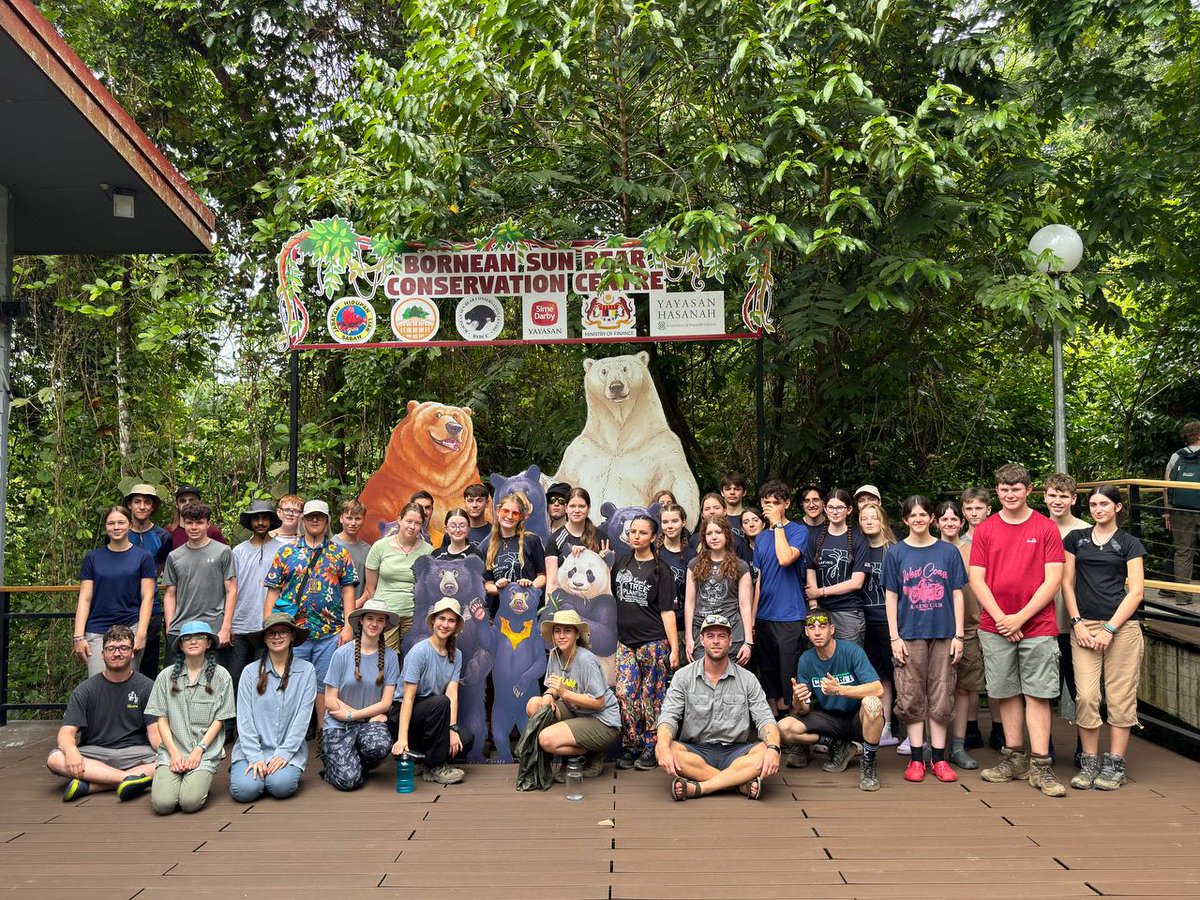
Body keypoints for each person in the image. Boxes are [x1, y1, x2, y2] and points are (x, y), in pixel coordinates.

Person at [970, 464, 1067, 798]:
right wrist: (1002, 619)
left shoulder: (1046, 528)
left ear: (1028, 490)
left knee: (1038, 693)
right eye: (1003, 489)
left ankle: (1041, 764)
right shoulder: (985, 530)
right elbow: (977, 579)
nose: (1010, 495)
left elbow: (1053, 579)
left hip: (1038, 626)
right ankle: (1014, 758)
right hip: (996, 626)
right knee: (1005, 691)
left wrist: (1020, 618)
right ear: (997, 491)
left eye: (1016, 489)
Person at [1064, 484, 1147, 791]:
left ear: (1118, 507)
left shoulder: (1129, 543)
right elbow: (1066, 583)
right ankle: (1088, 761)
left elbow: (1136, 591)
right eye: (1093, 504)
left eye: (1104, 504)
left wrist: (1111, 628)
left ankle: (1115, 764)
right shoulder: (1076, 539)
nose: (1098, 509)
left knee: (1120, 696)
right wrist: (1076, 623)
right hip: (1083, 626)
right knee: (1085, 695)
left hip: (1121, 628)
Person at [884, 496, 966, 784]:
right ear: (905, 520)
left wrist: (959, 635)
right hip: (909, 634)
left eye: (923, 514)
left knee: (942, 696)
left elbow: (957, 593)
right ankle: (917, 759)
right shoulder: (896, 553)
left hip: (944, 634)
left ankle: (939, 759)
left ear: (932, 517)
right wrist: (894, 636)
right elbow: (891, 596)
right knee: (911, 696)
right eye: (913, 515)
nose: (918, 519)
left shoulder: (948, 552)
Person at [655, 614, 782, 800]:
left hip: (736, 752)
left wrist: (773, 748)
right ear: (701, 640)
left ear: (730, 641)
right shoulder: (683, 676)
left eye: (721, 636)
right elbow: (668, 717)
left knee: (765, 750)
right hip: (696, 751)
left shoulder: (747, 679)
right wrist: (664, 748)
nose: (716, 641)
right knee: (664, 747)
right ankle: (737, 784)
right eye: (710, 636)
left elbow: (765, 720)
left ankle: (702, 787)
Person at [263, 499, 357, 729]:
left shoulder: (339, 553)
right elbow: (273, 591)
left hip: (330, 632)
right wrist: (268, 626)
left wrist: (348, 626)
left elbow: (347, 591)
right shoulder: (286, 552)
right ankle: (288, 733)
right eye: (310, 517)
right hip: (293, 632)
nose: (315, 521)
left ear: (326, 521)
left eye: (320, 517)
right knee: (290, 683)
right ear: (303, 520)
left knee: (326, 687)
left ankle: (324, 736)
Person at [47, 624, 159, 802]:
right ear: (102, 654)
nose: (116, 653)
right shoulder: (85, 690)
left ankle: (92, 785)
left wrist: (171, 753)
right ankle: (127, 780)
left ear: (132, 652)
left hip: (136, 753)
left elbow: (155, 735)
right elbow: (66, 733)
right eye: (111, 649)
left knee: (167, 761)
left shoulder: (147, 687)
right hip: (95, 753)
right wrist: (71, 750)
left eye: (123, 648)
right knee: (55, 758)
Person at [777, 609, 885, 791]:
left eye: (822, 626)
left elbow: (878, 688)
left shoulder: (852, 651)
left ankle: (868, 765)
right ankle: (836, 745)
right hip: (829, 719)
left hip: (857, 719)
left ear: (832, 629)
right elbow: (803, 710)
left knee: (873, 704)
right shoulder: (806, 659)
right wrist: (797, 699)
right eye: (812, 627)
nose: (817, 632)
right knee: (784, 727)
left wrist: (840, 690)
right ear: (806, 632)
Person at [145, 621, 235, 814]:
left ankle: (197, 779)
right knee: (163, 805)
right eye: (187, 638)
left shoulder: (221, 676)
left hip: (204, 752)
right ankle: (180, 778)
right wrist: (173, 753)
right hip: (173, 750)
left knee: (189, 803)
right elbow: (161, 718)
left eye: (200, 637)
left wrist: (198, 751)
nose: (193, 641)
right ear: (180, 644)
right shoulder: (166, 676)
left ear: (209, 643)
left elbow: (220, 720)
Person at [612, 514, 679, 771]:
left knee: (651, 697)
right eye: (632, 532)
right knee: (626, 694)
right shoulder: (621, 563)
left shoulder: (661, 570)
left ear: (653, 537)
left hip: (653, 641)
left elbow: (667, 612)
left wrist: (674, 648)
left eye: (642, 532)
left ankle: (652, 746)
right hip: (625, 642)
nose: (636, 536)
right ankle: (631, 744)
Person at [229, 612, 318, 802]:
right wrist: (255, 757)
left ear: (292, 635)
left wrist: (284, 753)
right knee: (244, 791)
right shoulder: (250, 672)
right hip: (251, 750)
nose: (277, 637)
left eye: (283, 632)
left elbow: (303, 718)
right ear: (264, 638)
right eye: (271, 633)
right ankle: (258, 774)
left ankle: (275, 775)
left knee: (280, 786)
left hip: (288, 750)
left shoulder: (307, 670)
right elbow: (244, 719)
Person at [525, 609, 620, 779]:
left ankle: (591, 753)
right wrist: (548, 695)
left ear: (577, 634)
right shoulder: (555, 654)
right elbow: (553, 687)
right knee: (535, 705)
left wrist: (564, 693)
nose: (561, 636)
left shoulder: (586, 660)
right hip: (576, 712)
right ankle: (572, 758)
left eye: (567, 630)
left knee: (546, 739)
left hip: (602, 721)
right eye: (557, 630)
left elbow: (599, 703)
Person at [392, 598, 475, 786]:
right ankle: (434, 766)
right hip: (406, 714)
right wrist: (402, 738)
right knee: (440, 702)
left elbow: (452, 693)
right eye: (441, 618)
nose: (445, 624)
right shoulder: (419, 652)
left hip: (434, 714)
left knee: (466, 739)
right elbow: (407, 698)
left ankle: (421, 759)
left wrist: (453, 729)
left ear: (456, 626)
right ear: (433, 621)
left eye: (451, 620)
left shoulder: (456, 654)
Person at [321, 599, 401, 791]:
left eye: (380, 620)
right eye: (370, 618)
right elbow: (329, 699)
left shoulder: (390, 657)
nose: (374, 624)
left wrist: (353, 716)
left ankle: (355, 762)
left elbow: (386, 702)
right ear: (361, 621)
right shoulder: (341, 654)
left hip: (367, 725)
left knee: (380, 745)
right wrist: (363, 716)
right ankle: (334, 763)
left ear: (385, 625)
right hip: (339, 725)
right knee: (350, 782)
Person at [73, 506, 156, 676]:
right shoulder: (92, 558)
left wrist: (141, 632)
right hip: (97, 630)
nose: (116, 527)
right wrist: (78, 636)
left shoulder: (143, 556)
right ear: (106, 527)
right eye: (111, 523)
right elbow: (85, 598)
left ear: (130, 525)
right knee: (97, 685)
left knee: (128, 687)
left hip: (131, 628)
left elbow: (147, 596)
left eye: (121, 522)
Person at [752, 480, 808, 723]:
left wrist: (777, 525)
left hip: (790, 616)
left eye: (776, 503)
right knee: (769, 677)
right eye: (767, 503)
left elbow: (785, 558)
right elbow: (758, 580)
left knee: (790, 678)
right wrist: (752, 619)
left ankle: (795, 731)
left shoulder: (798, 531)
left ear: (786, 504)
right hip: (764, 617)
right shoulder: (761, 538)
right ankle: (777, 727)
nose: (771, 507)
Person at [1045, 472, 1089, 761]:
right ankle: (1042, 748)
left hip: (1077, 625)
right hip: (1044, 624)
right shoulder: (1035, 527)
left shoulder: (1086, 531)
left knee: (1081, 691)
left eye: (1064, 496)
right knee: (1042, 693)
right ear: (1045, 497)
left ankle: (1085, 749)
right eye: (1053, 495)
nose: (1058, 500)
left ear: (1073, 499)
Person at [937, 500, 983, 769]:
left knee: (964, 688)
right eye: (944, 519)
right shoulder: (931, 549)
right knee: (937, 688)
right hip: (936, 628)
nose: (950, 523)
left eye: (955, 519)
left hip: (969, 627)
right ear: (937, 522)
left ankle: (958, 744)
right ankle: (935, 743)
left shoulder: (973, 550)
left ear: (961, 522)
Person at [227, 499, 285, 694]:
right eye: (256, 518)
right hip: (241, 623)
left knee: (263, 678)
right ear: (250, 522)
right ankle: (231, 724)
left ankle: (258, 722)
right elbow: (231, 588)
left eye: (265, 518)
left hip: (268, 624)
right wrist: (229, 624)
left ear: (271, 521)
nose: (260, 522)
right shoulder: (238, 551)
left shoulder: (282, 550)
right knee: (236, 678)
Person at [162, 502, 236, 653]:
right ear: (184, 524)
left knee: (214, 675)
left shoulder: (223, 552)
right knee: (176, 675)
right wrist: (170, 627)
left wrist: (226, 628)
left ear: (208, 524)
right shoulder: (174, 556)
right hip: (180, 630)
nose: (194, 527)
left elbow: (231, 590)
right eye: (189, 523)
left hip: (213, 629)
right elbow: (169, 594)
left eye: (199, 523)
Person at [361, 502, 433, 649]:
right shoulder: (380, 547)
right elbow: (369, 589)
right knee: (385, 660)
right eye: (409, 521)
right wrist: (376, 616)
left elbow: (428, 588)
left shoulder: (428, 551)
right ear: (399, 519)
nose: (412, 527)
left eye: (418, 523)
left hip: (414, 617)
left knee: (412, 660)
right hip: (385, 616)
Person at [805, 489, 870, 646]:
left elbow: (857, 582)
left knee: (847, 663)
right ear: (825, 509)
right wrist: (814, 607)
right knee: (823, 661)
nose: (835, 512)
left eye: (840, 507)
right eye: (831, 507)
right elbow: (810, 572)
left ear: (848, 510)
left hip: (849, 612)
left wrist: (820, 592)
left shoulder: (858, 539)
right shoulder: (814, 538)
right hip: (821, 612)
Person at [685, 515, 752, 665]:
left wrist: (748, 642)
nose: (714, 537)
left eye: (718, 532)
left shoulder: (740, 566)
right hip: (702, 630)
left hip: (731, 632)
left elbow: (745, 605)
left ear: (727, 534)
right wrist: (689, 638)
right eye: (709, 533)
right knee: (702, 680)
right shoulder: (694, 564)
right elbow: (690, 603)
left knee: (731, 680)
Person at [859, 503, 899, 747]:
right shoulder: (859, 549)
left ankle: (897, 725)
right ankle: (878, 724)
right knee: (876, 674)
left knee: (896, 673)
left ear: (883, 520)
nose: (870, 521)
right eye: (865, 518)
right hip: (864, 619)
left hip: (889, 620)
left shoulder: (894, 550)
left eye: (874, 517)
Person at [123, 483, 173, 678]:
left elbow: (161, 567)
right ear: (129, 505)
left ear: (153, 507)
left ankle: (147, 707)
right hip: (122, 607)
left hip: (151, 608)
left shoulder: (163, 536)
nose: (142, 506)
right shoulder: (119, 532)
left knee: (148, 664)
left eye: (147, 502)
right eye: (137, 502)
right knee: (121, 659)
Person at [960, 486, 993, 750]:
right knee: (969, 680)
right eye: (969, 508)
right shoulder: (959, 545)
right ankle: (971, 728)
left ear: (988, 510)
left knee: (997, 679)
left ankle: (1000, 728)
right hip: (970, 620)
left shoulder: (997, 537)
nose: (974, 513)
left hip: (996, 617)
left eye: (978, 508)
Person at [483, 490, 547, 611]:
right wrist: (498, 587)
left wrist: (530, 586)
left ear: (521, 517)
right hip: (501, 613)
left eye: (515, 513)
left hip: (530, 610)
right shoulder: (488, 546)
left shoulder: (531, 540)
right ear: (497, 511)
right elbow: (487, 584)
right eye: (505, 511)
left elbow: (542, 576)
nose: (509, 516)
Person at [1164, 420, 1200, 602]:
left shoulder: (1176, 457)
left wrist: (1167, 512)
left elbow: (1165, 486)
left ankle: (1182, 596)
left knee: (1183, 552)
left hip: (1179, 511)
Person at [546, 487, 604, 591]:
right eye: (572, 506)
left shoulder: (601, 537)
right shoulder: (555, 539)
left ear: (588, 508)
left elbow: (605, 580)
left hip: (592, 601)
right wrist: (549, 606)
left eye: (581, 506)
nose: (576, 510)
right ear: (566, 508)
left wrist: (606, 561)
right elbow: (551, 583)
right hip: (564, 602)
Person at [657, 502, 693, 638]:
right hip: (656, 626)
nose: (670, 526)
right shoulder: (654, 553)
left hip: (681, 627)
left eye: (674, 521)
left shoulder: (692, 556)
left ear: (683, 522)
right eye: (665, 522)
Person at [690, 493, 753, 566]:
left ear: (725, 511)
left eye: (716, 508)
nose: (712, 511)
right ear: (702, 514)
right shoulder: (694, 539)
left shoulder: (737, 541)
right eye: (707, 509)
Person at [333, 499, 371, 604]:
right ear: (341, 518)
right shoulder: (330, 545)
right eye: (349, 518)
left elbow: (370, 585)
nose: (353, 523)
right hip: (332, 609)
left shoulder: (367, 550)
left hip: (357, 609)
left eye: (357, 518)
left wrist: (359, 602)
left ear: (363, 520)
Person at [461, 483, 493, 550]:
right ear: (464, 503)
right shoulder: (455, 532)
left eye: (479, 500)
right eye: (470, 501)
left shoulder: (495, 532)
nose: (474, 505)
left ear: (487, 503)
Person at [720, 471, 748, 543]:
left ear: (744, 492)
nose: (732, 492)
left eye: (737, 489)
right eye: (728, 489)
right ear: (722, 492)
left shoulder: (752, 518)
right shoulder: (718, 518)